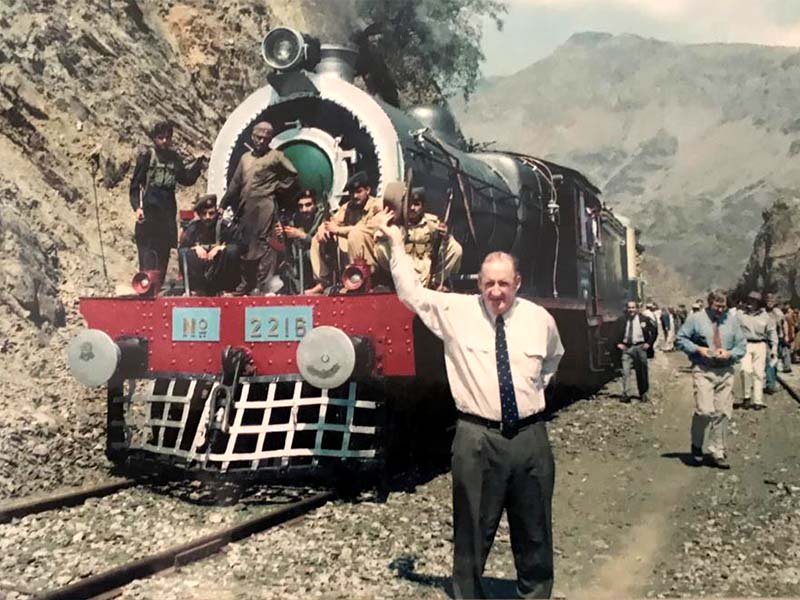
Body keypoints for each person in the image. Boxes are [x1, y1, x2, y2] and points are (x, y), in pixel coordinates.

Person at [374, 208, 563, 599]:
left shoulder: (540, 319)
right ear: (479, 282)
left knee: (535, 533)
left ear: (518, 283)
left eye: (504, 284)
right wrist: (395, 244)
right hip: (476, 439)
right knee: (472, 533)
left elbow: (552, 360)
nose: (497, 291)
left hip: (530, 439)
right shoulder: (455, 311)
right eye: (489, 283)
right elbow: (411, 294)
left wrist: (532, 396)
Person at [219, 121, 299, 295]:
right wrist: (222, 205)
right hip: (245, 207)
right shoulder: (245, 158)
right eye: (259, 137)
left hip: (265, 206)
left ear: (270, 139)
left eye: (266, 138)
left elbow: (293, 174)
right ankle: (246, 283)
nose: (262, 141)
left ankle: (263, 286)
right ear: (252, 137)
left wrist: (277, 187)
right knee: (245, 244)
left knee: (265, 245)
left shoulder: (276, 156)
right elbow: (235, 184)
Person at [129, 119, 207, 284]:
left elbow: (186, 179)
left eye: (167, 137)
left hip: (167, 216)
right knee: (148, 258)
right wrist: (137, 208)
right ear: (154, 138)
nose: (164, 141)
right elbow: (134, 186)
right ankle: (146, 292)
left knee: (163, 256)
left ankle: (157, 291)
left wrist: (198, 165)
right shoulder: (147, 157)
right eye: (160, 137)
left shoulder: (174, 159)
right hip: (149, 215)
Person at [675, 290, 746, 469]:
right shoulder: (696, 319)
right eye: (717, 306)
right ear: (709, 304)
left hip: (725, 371)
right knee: (704, 411)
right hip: (703, 369)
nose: (721, 310)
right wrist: (697, 349)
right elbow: (680, 338)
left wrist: (729, 353)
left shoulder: (732, 321)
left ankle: (718, 451)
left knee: (722, 412)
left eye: (724, 306)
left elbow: (741, 345)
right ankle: (697, 445)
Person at [305, 172, 383, 295]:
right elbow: (332, 222)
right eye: (352, 193)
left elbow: (369, 229)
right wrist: (322, 229)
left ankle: (359, 279)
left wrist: (338, 230)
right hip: (353, 250)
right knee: (317, 238)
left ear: (368, 190)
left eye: (359, 191)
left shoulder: (377, 205)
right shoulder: (348, 207)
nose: (355, 196)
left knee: (355, 234)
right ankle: (323, 282)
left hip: (372, 253)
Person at [375, 187, 463, 288]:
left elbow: (445, 245)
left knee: (456, 249)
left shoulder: (432, 223)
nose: (412, 208)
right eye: (409, 204)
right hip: (405, 265)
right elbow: (381, 240)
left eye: (416, 204)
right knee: (380, 247)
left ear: (423, 206)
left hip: (427, 265)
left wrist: (446, 237)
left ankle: (436, 282)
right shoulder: (399, 222)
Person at [178, 194, 241, 295]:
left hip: (220, 274)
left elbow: (239, 245)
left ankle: (227, 290)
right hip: (201, 275)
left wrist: (221, 248)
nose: (208, 217)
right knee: (185, 253)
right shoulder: (193, 228)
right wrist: (195, 248)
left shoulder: (225, 227)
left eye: (211, 213)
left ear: (216, 212)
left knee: (232, 250)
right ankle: (196, 291)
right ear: (199, 214)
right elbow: (182, 249)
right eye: (204, 213)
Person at [275, 189, 325, 294]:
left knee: (309, 254)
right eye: (301, 206)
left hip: (320, 260)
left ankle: (319, 286)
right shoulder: (296, 218)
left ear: (315, 205)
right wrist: (281, 234)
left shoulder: (323, 218)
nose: (304, 209)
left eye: (308, 205)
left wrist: (302, 235)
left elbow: (324, 243)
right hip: (298, 262)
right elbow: (283, 245)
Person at [737, 291, 778, 410]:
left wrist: (774, 349)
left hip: (760, 344)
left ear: (759, 303)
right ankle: (746, 397)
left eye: (754, 301)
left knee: (759, 373)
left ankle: (758, 401)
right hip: (745, 344)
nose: (751, 303)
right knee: (745, 370)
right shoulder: (740, 314)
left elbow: (772, 333)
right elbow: (733, 330)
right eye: (750, 300)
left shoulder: (766, 316)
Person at [614, 300, 657, 402]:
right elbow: (613, 332)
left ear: (637, 309)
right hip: (627, 348)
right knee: (625, 371)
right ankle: (626, 394)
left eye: (633, 308)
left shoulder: (645, 319)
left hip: (640, 347)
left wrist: (649, 343)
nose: (631, 310)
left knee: (641, 371)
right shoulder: (622, 320)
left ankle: (643, 393)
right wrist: (618, 343)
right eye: (629, 308)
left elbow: (654, 331)